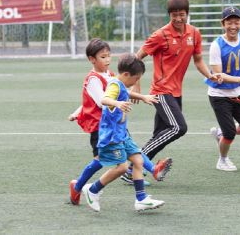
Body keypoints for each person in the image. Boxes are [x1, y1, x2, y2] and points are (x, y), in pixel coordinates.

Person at [69, 39, 172, 205]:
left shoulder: (110, 76)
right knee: (101, 161)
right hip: (100, 127)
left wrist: (141, 96)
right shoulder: (93, 79)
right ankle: (79, 186)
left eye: (109, 56)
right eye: (103, 57)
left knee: (132, 152)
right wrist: (79, 112)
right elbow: (101, 100)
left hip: (115, 125)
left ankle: (151, 174)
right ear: (92, 59)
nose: (108, 60)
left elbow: (115, 93)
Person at [128, 0, 220, 169]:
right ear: (169, 15)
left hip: (176, 92)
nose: (178, 18)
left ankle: (133, 171)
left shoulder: (194, 33)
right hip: (161, 91)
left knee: (159, 135)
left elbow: (198, 60)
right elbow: (137, 58)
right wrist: (136, 85)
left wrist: (209, 75)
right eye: (174, 14)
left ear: (187, 13)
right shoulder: (160, 35)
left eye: (182, 14)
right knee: (178, 128)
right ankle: (134, 164)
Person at [206, 6, 240, 171]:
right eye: (229, 22)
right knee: (230, 134)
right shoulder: (216, 45)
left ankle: (220, 132)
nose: (233, 26)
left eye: (237, 22)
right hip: (219, 95)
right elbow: (218, 74)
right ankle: (222, 160)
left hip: (238, 93)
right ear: (223, 23)